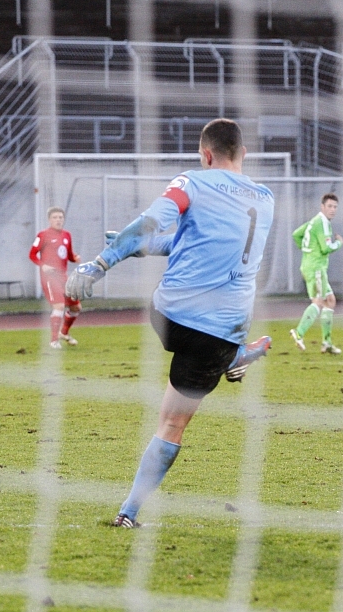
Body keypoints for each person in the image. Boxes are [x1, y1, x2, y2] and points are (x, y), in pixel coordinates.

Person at [66, 118, 274, 528]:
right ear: (244, 155)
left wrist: (102, 261)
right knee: (174, 424)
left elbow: (154, 222)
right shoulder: (266, 198)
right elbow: (197, 241)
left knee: (167, 410)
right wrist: (141, 245)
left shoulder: (191, 182)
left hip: (172, 317)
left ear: (205, 155)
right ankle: (235, 355)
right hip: (221, 332)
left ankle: (236, 356)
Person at [289, 193, 343, 354]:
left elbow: (296, 234)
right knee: (319, 302)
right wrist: (339, 242)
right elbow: (326, 248)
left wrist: (307, 251)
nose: (333, 210)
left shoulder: (314, 221)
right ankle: (298, 333)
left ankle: (326, 343)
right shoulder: (323, 223)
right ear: (322, 207)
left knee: (330, 301)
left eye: (335, 207)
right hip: (316, 268)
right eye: (330, 206)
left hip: (312, 266)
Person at [29, 206, 81, 350]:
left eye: (60, 217)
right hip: (49, 277)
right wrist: (42, 265)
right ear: (49, 220)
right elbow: (32, 254)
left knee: (76, 307)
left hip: (63, 277)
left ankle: (64, 333)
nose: (58, 220)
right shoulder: (43, 235)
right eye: (55, 217)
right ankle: (53, 341)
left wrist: (75, 257)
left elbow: (68, 255)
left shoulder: (67, 235)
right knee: (59, 306)